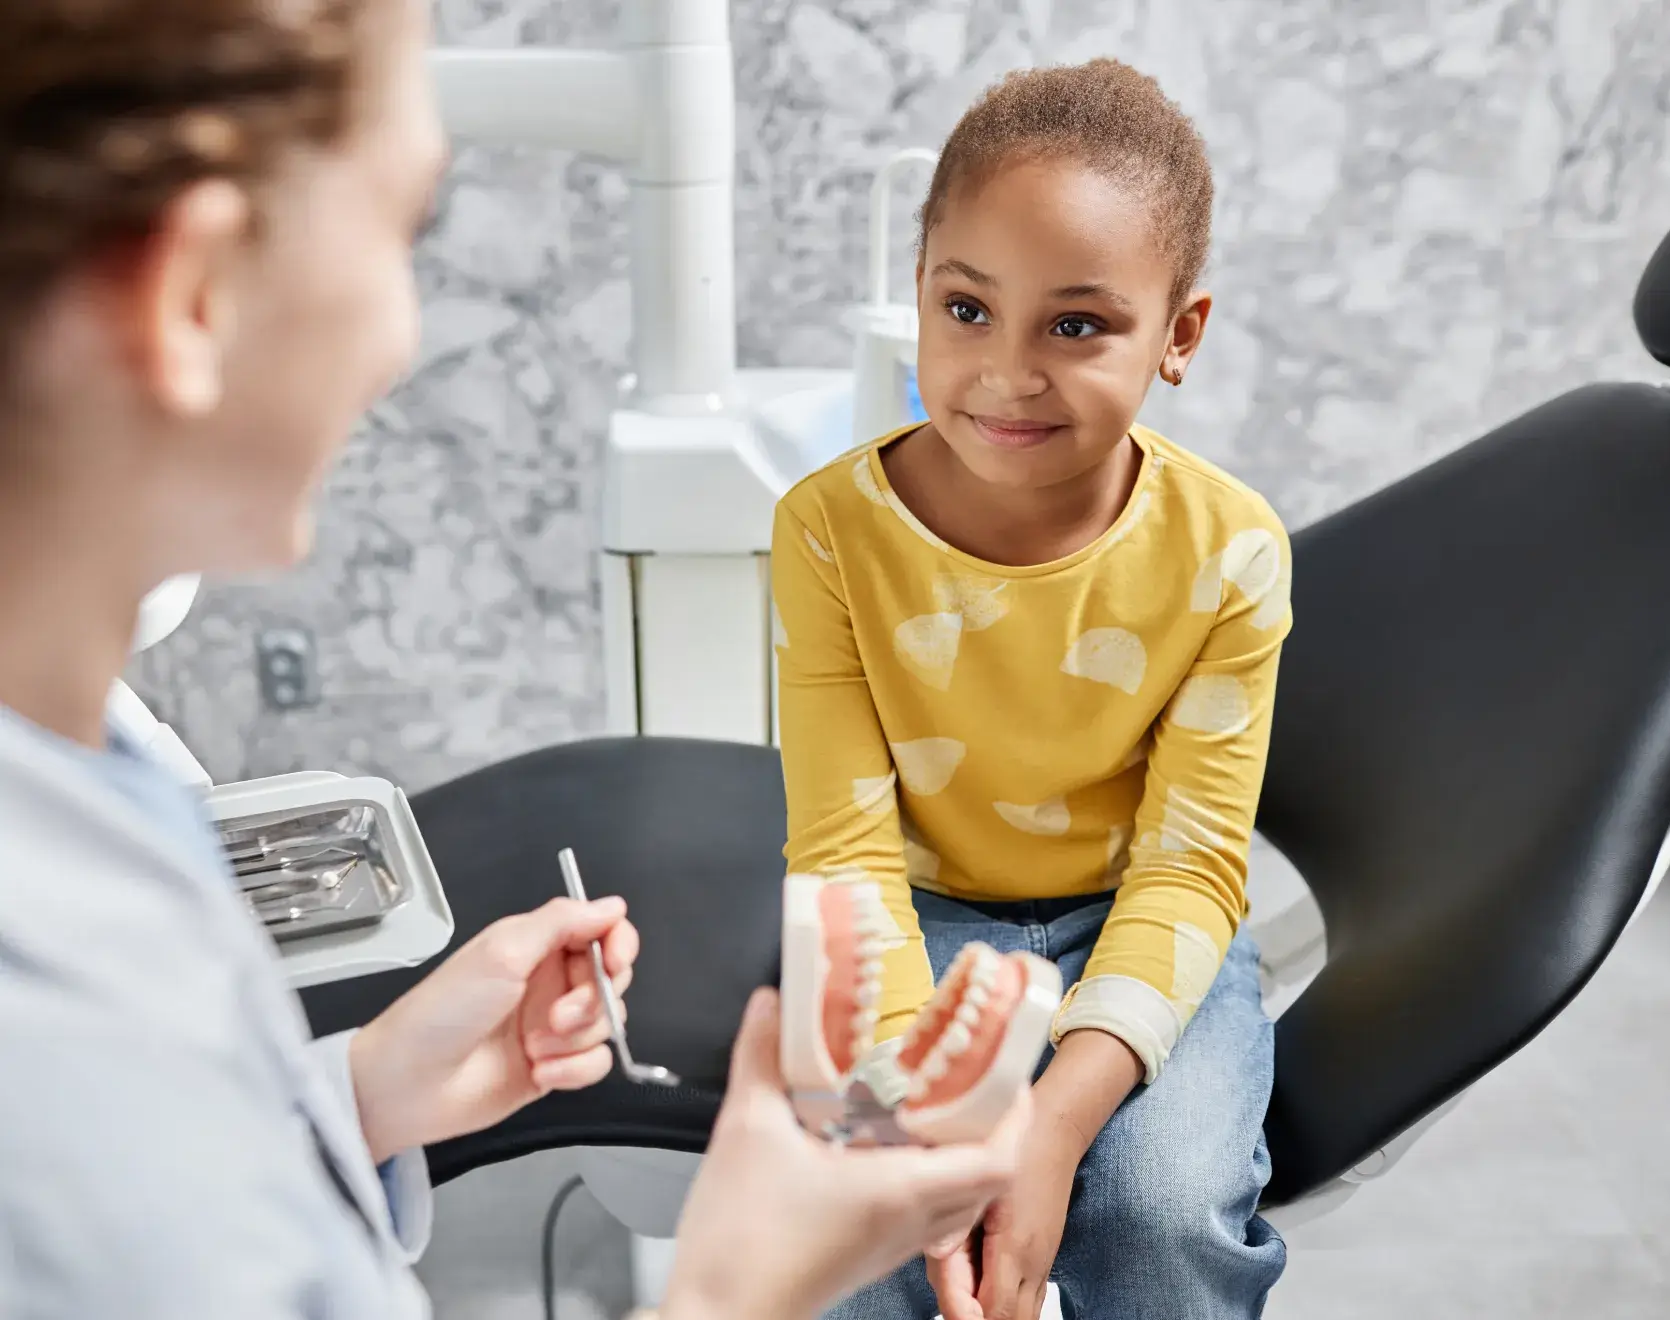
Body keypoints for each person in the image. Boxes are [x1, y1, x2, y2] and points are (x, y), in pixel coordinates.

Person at [0, 2, 1027, 1318]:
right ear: (194, 295)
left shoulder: (97, 782)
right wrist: (739, 1289)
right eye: (401, 227)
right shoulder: (53, 1033)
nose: (404, 331)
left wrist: (355, 1093)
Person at [770, 59, 1292, 1320]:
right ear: (918, 296)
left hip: (1140, 920)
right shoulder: (827, 531)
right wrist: (934, 1119)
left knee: (1156, 1210)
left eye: (1074, 324)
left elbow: (1189, 867)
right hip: (908, 912)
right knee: (862, 1203)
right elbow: (845, 851)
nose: (1005, 373)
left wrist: (1051, 1125)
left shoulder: (1229, 551)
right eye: (965, 309)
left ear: (1178, 335)